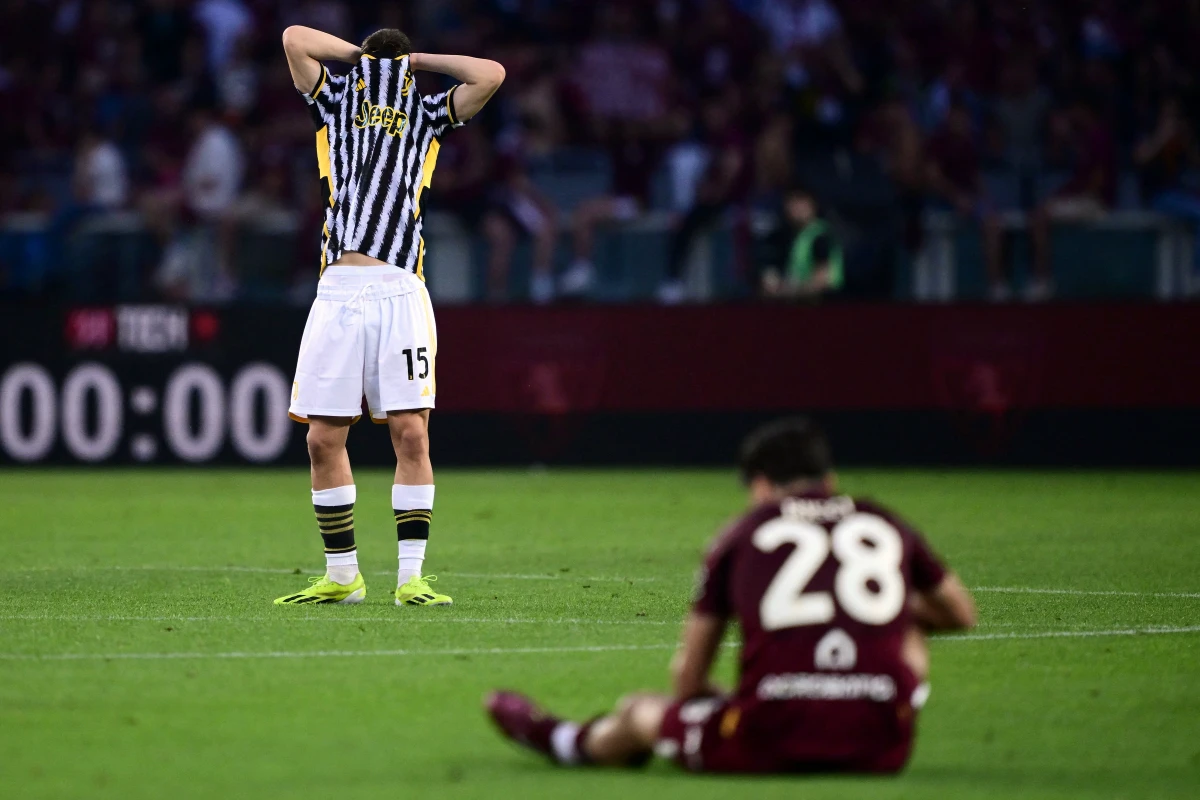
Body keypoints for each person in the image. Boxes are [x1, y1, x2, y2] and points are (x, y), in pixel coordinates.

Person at [487, 418, 976, 774]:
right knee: (908, 621)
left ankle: (562, 738)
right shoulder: (884, 522)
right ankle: (893, 694)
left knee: (640, 709)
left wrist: (749, 695)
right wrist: (873, 618)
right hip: (883, 742)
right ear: (829, 480)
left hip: (772, 737)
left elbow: (687, 680)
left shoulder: (744, 534)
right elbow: (960, 614)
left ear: (761, 486)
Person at [273, 25, 504, 607]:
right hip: (338, 290)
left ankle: (410, 580)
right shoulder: (336, 101)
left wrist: (417, 60)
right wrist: (362, 58)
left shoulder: (426, 113)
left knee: (410, 432)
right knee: (322, 438)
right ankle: (343, 576)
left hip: (401, 286)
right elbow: (294, 37)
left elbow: (491, 74)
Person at [759, 185, 844, 299]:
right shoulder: (788, 236)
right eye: (792, 202)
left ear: (813, 204)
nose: (796, 208)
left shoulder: (821, 235)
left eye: (801, 201)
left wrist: (787, 292)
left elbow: (822, 278)